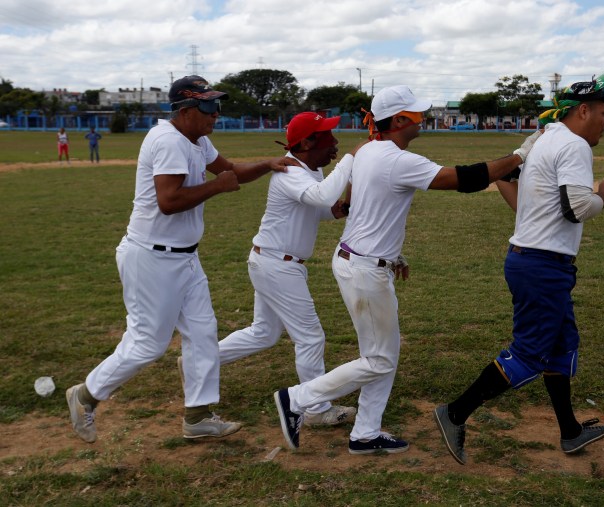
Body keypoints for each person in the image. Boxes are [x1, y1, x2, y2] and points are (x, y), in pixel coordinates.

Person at [274, 85, 541, 455]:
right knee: (379, 358)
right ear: (399, 120)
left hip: (364, 261)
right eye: (417, 114)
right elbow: (463, 180)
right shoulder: (395, 159)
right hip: (364, 268)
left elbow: (372, 210)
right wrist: (517, 157)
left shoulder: (372, 150)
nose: (423, 119)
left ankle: (365, 433)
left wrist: (391, 256)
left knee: (383, 354)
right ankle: (297, 398)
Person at [66, 75, 297, 443]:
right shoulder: (169, 140)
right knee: (147, 343)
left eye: (216, 106)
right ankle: (85, 395)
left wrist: (269, 163)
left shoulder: (197, 140)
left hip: (184, 258)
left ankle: (198, 416)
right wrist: (217, 187)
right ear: (185, 110)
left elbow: (230, 171)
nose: (215, 114)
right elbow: (169, 201)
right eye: (208, 107)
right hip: (151, 257)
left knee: (203, 334)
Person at [434, 69, 604, 465]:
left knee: (560, 346)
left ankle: (570, 432)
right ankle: (454, 413)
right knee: (531, 353)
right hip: (541, 266)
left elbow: (520, 194)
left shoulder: (546, 139)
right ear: (583, 110)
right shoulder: (572, 145)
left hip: (534, 261)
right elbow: (577, 209)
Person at [180, 112, 361, 427]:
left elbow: (317, 208)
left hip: (273, 261)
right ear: (306, 142)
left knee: (263, 334)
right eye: (328, 136)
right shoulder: (293, 173)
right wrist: (350, 159)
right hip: (278, 265)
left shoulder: (309, 170)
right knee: (310, 337)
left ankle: (197, 361)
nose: (335, 142)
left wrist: (338, 211)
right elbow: (320, 195)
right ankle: (315, 410)